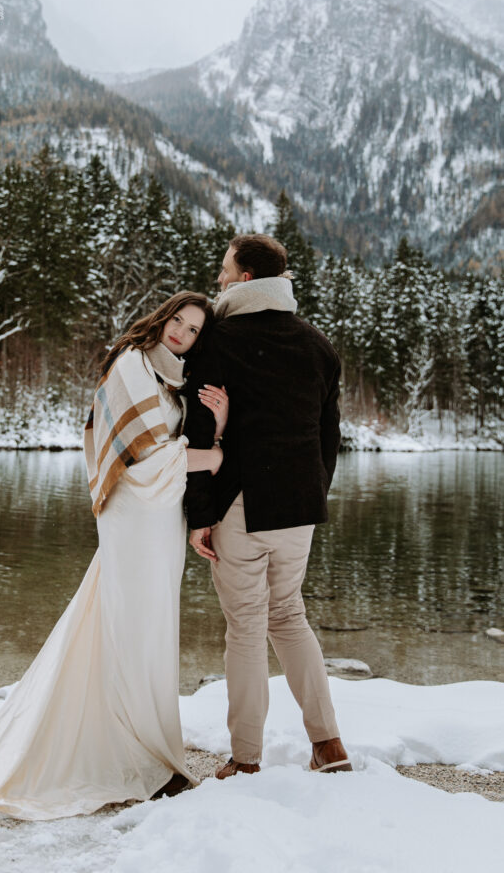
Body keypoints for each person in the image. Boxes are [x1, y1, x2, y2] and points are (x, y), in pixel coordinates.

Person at [0, 291, 227, 821]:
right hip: (136, 515)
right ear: (161, 319)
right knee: (131, 623)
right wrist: (218, 455)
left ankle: (144, 743)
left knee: (146, 625)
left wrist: (216, 430)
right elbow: (148, 457)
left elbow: (167, 451)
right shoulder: (132, 363)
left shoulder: (172, 380)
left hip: (163, 517)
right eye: (177, 320)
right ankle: (131, 750)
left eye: (194, 329)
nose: (181, 332)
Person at [184, 234, 352, 778]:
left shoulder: (219, 341)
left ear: (248, 278)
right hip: (298, 506)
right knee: (289, 616)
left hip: (241, 503)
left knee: (248, 627)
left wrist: (201, 516)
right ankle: (329, 745)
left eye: (225, 270)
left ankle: (247, 759)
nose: (219, 279)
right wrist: (311, 492)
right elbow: (330, 437)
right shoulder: (318, 344)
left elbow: (201, 433)